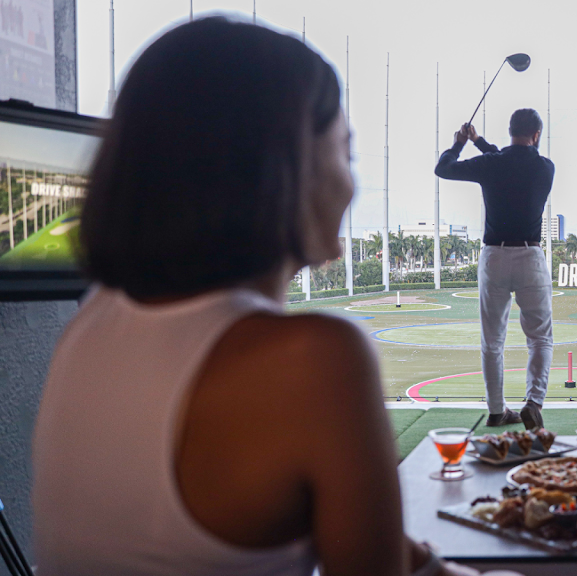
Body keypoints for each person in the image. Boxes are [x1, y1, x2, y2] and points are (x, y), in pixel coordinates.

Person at [32, 18, 508, 576]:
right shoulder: (314, 356)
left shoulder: (91, 323)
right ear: (287, 165)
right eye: (346, 152)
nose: (353, 185)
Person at [435, 111, 555, 429]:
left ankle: (496, 411)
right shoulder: (545, 167)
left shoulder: (493, 164)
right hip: (530, 257)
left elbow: (443, 168)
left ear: (510, 131)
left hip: (495, 257)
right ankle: (533, 402)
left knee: (492, 341)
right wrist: (479, 142)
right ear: (537, 134)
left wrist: (461, 143)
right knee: (540, 339)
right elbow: (509, 161)